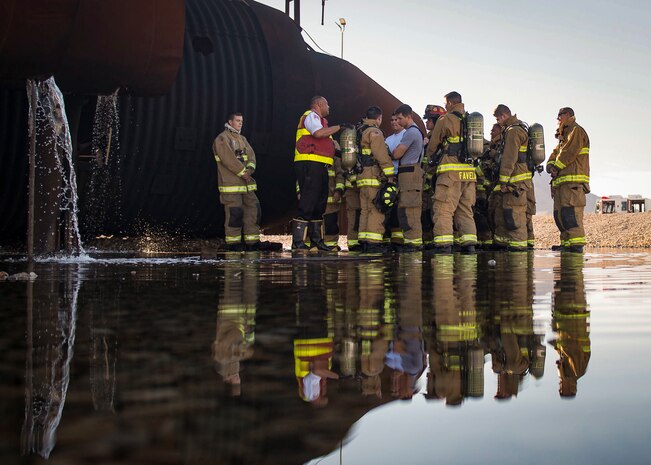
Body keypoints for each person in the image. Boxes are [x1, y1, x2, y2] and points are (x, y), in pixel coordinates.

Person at [425, 91, 477, 254]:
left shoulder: (445, 119)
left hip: (450, 172)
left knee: (443, 209)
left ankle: (443, 245)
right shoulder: (471, 121)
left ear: (449, 103)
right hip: (469, 174)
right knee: (465, 209)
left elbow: (433, 145)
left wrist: (430, 161)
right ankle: (469, 244)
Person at [292, 96, 342, 251]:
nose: (329, 107)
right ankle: (298, 243)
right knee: (308, 202)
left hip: (320, 165)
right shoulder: (311, 116)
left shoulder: (322, 122)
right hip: (309, 163)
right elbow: (318, 134)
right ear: (319, 104)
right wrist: (339, 127)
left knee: (319, 204)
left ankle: (317, 242)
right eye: (327, 104)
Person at [212, 112, 261, 251]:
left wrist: (249, 171)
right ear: (230, 122)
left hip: (246, 185)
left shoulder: (242, 139)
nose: (240, 123)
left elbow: (251, 157)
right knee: (235, 213)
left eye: (241, 121)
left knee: (254, 209)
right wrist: (243, 173)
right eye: (238, 120)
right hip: (231, 185)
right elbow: (228, 159)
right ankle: (233, 244)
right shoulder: (222, 138)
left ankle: (252, 242)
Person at [546, 107, 590, 253]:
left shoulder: (575, 131)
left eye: (560, 115)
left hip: (573, 183)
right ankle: (566, 243)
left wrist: (555, 167)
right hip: (562, 184)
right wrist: (550, 164)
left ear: (569, 115)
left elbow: (568, 152)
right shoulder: (563, 137)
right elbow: (555, 154)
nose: (558, 118)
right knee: (560, 215)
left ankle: (576, 245)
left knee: (571, 213)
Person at [492, 104, 531, 251]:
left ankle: (518, 248)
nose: (497, 122)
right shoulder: (513, 129)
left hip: (515, 181)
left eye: (498, 118)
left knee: (515, 215)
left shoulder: (513, 131)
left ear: (503, 116)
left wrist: (503, 180)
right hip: (515, 180)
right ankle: (506, 244)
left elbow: (509, 158)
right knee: (506, 213)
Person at [356, 106, 395, 252]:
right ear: (379, 118)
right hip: (373, 176)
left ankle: (364, 242)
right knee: (376, 209)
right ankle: (373, 243)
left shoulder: (359, 131)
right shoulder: (375, 132)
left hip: (361, 177)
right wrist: (390, 174)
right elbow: (381, 156)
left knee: (365, 210)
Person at [391, 104, 425, 251]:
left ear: (408, 117)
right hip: (408, 173)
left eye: (400, 118)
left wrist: (388, 151)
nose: (397, 121)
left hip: (410, 173)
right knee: (406, 208)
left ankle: (414, 243)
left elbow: (397, 154)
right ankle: (412, 241)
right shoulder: (413, 131)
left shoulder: (411, 132)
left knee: (410, 209)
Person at [421, 105, 447, 248]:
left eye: (429, 120)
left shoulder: (439, 139)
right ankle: (429, 241)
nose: (426, 123)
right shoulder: (429, 138)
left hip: (435, 183)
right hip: (428, 183)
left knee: (436, 213)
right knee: (426, 214)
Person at [384, 113, 406, 247]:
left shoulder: (406, 135)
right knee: (389, 209)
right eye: (391, 120)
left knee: (401, 209)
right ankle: (391, 240)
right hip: (390, 177)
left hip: (402, 176)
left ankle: (399, 242)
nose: (394, 122)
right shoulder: (388, 139)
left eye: (397, 119)